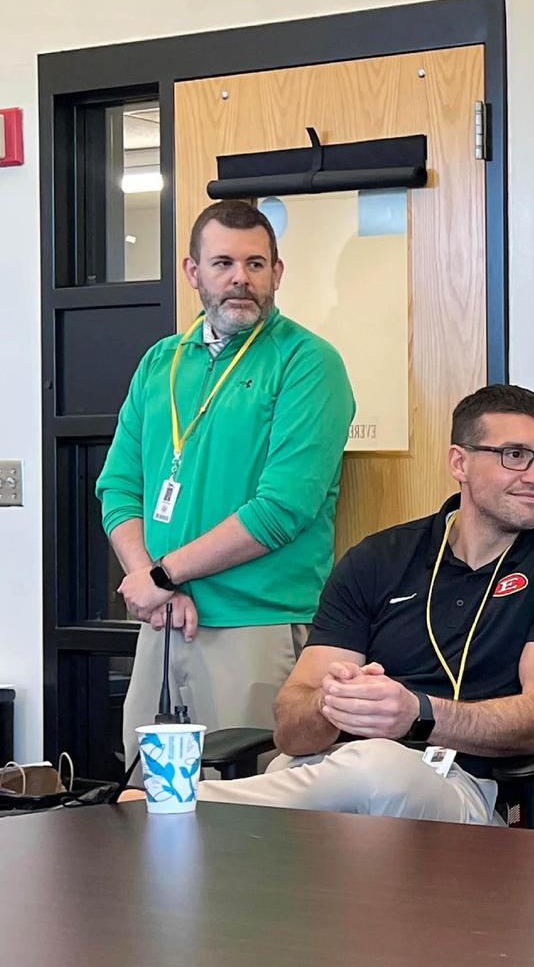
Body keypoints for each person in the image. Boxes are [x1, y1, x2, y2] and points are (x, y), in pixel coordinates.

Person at [190, 384, 534, 824]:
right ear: (460, 462)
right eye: (514, 455)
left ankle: (185, 806)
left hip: (463, 785)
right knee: (327, 770)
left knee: (376, 771)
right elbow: (290, 731)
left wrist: (418, 713)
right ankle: (201, 813)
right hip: (331, 770)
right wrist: (331, 702)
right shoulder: (379, 558)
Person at [98, 199, 354, 778]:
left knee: (249, 809)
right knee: (150, 798)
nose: (241, 278)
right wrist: (152, 583)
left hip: (254, 623)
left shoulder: (308, 362)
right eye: (223, 263)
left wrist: (164, 575)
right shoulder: (162, 361)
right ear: (193, 272)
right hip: (162, 622)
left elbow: (281, 509)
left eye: (255, 264)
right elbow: (118, 487)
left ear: (277, 273)